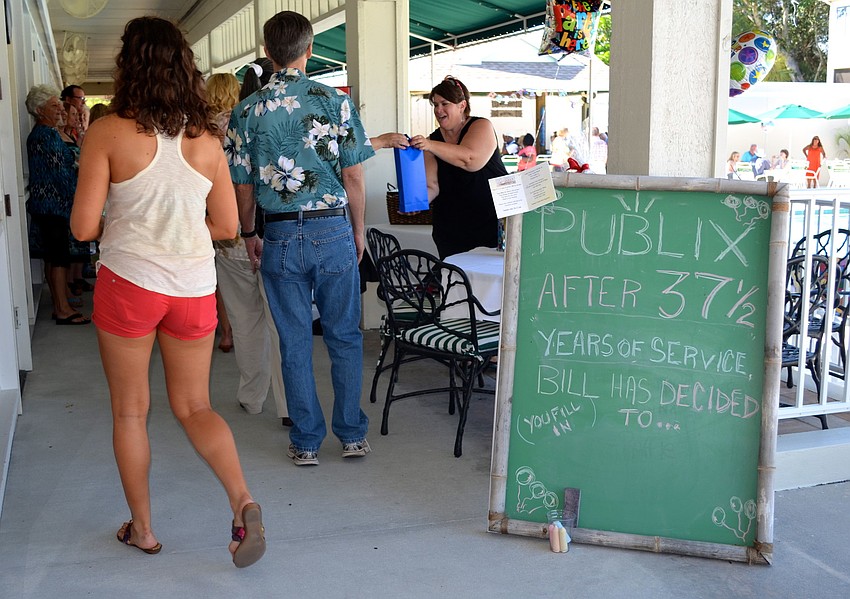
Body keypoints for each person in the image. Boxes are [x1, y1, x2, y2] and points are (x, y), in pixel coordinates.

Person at [69, 16, 265, 568]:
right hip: (194, 289)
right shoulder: (206, 140)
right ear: (184, 66)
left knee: (131, 412)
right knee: (196, 405)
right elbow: (227, 225)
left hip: (129, 284)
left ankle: (145, 531)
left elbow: (83, 227)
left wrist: (127, 228)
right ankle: (242, 500)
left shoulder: (107, 132)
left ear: (128, 65)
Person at [227, 10, 373, 467]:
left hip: (281, 233)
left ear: (268, 53)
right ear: (309, 50)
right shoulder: (335, 101)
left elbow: (243, 186)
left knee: (292, 340)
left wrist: (250, 232)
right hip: (332, 228)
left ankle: (307, 441)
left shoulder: (245, 111)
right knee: (345, 336)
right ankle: (351, 435)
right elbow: (353, 172)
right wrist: (357, 229)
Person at [208, 72, 292, 425]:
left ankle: (251, 396)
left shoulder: (208, 133)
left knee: (244, 322)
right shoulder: (278, 123)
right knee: (281, 324)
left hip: (230, 238)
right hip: (272, 232)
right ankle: (290, 406)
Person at [409, 76, 507, 258]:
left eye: (444, 104)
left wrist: (429, 145)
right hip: (450, 229)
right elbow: (432, 186)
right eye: (435, 105)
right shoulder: (431, 142)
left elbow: (470, 159)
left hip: (490, 224)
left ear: (462, 105)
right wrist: (415, 201)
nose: (438, 110)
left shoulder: (481, 125)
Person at [24, 84, 89, 325]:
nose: (60, 109)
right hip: (55, 206)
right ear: (40, 110)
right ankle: (62, 308)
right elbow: (60, 172)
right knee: (59, 258)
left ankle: (60, 304)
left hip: (47, 205)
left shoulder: (40, 133)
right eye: (54, 106)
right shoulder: (47, 135)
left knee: (54, 257)